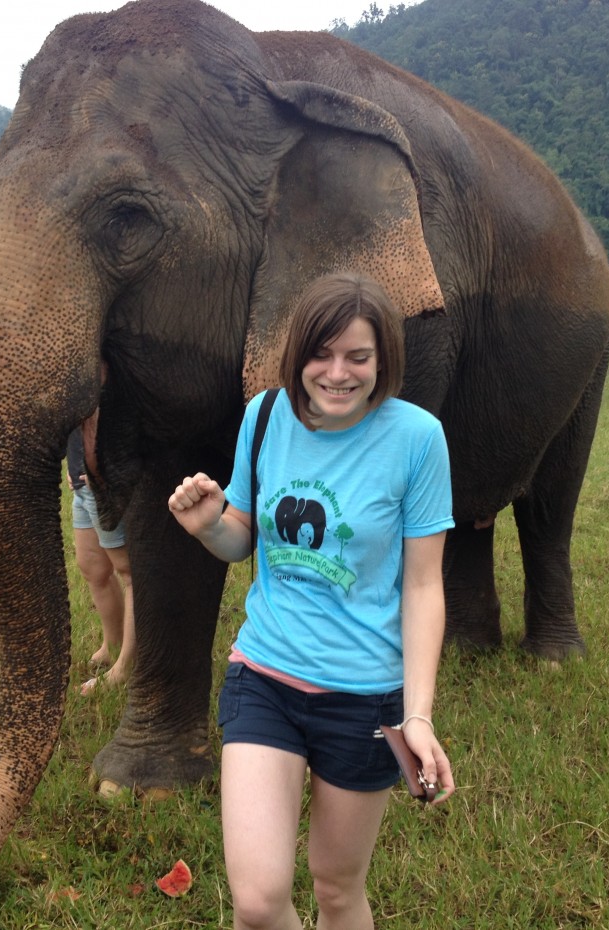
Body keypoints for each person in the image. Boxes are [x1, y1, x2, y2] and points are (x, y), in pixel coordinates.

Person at [167, 272, 456, 930]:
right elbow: (241, 539)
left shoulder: (417, 439)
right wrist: (212, 523)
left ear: (384, 360)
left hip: (366, 698)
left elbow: (422, 585)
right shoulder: (264, 416)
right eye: (321, 355)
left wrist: (418, 715)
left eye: (358, 357)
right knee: (260, 902)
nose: (337, 373)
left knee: (335, 889)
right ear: (297, 354)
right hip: (265, 676)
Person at [66, 421, 135, 692]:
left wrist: (111, 467)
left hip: (105, 484)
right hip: (80, 486)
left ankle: (126, 666)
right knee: (92, 568)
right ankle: (113, 644)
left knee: (129, 571)